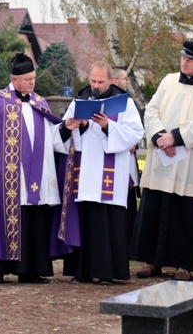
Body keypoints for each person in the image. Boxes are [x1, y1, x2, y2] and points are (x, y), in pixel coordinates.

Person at [0, 52, 67, 284]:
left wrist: (66, 127)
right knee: (0, 214)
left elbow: (53, 138)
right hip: (7, 174)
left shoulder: (40, 102)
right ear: (14, 79)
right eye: (28, 79)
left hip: (36, 173)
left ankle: (30, 269)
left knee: (33, 216)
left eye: (33, 78)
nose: (32, 82)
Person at [129, 41, 193, 281]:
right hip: (162, 156)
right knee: (155, 209)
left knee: (186, 214)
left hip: (189, 161)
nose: (184, 63)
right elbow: (151, 110)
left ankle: (186, 265)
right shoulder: (168, 80)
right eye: (182, 58)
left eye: (190, 60)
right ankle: (154, 262)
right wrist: (161, 136)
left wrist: (176, 137)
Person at [60, 62, 143, 284]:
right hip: (84, 170)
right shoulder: (81, 99)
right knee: (85, 220)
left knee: (107, 222)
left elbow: (135, 133)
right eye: (93, 81)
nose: (96, 86)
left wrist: (108, 126)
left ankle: (108, 271)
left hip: (110, 174)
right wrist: (75, 125)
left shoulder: (124, 103)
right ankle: (83, 271)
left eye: (101, 82)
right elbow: (64, 130)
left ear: (111, 81)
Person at [111, 66, 141, 238]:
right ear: (114, 81)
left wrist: (133, 143)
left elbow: (135, 130)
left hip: (128, 160)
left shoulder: (128, 102)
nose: (127, 81)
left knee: (130, 203)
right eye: (125, 78)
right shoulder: (110, 103)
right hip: (114, 164)